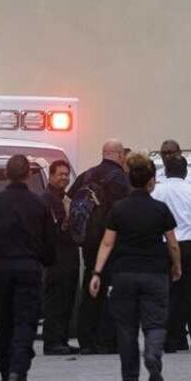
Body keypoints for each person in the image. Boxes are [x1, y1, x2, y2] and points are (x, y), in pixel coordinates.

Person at [89, 153, 181, 381]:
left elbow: (107, 243)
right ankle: (152, 353)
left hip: (124, 274)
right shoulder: (160, 209)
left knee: (126, 328)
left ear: (130, 179)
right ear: (151, 181)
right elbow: (172, 243)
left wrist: (97, 273)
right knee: (156, 322)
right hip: (154, 273)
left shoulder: (119, 209)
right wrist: (176, 265)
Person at [0, 155, 57, 381]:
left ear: (6, 174)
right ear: (28, 174)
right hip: (29, 268)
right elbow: (51, 243)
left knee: (4, 320)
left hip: (2, 269)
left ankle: (5, 368)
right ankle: (18, 371)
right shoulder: (39, 205)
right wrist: (46, 262)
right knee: (25, 321)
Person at [68, 139, 130, 354]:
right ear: (120, 155)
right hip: (110, 242)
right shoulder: (121, 179)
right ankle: (106, 340)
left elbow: (68, 200)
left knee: (90, 286)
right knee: (108, 289)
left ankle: (86, 340)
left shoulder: (87, 174)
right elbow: (124, 211)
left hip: (88, 241)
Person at [152, 155, 191, 353]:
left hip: (163, 248)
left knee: (168, 296)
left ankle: (171, 341)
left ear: (166, 171)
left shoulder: (155, 192)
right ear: (185, 172)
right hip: (190, 249)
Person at [42, 159, 81, 355]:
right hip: (56, 256)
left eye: (66, 174)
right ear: (51, 176)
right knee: (56, 300)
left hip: (69, 254)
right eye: (60, 174)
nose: (64, 178)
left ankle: (62, 339)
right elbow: (59, 227)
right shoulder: (48, 199)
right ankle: (52, 342)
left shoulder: (65, 198)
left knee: (67, 299)